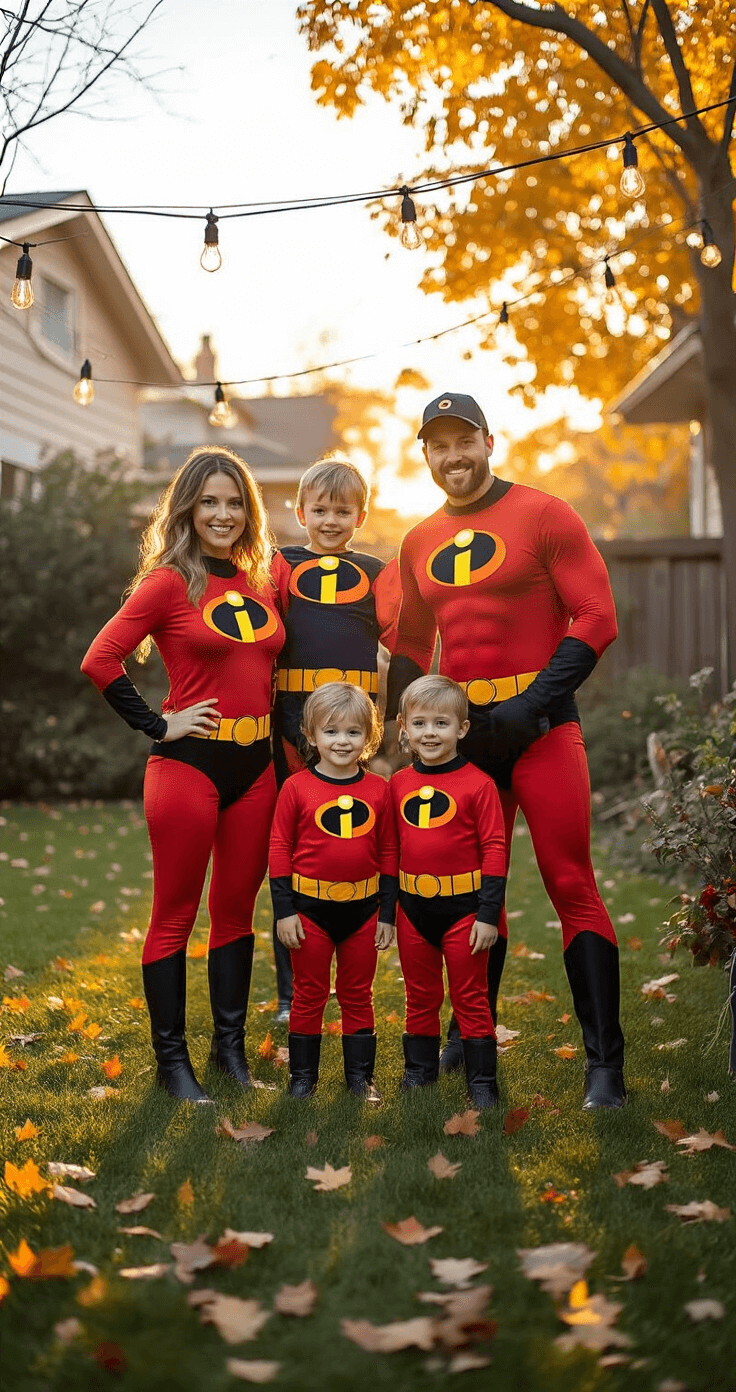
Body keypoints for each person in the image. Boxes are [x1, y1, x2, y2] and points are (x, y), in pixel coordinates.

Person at [386, 393, 625, 1110]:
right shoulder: (419, 540)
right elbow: (406, 643)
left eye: (465, 441)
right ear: (424, 455)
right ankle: (468, 1037)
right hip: (460, 740)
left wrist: (534, 703)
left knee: (570, 884)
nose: (453, 456)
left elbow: (598, 617)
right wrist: (407, 735)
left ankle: (605, 1067)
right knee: (460, 892)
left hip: (543, 726)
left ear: (490, 441)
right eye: (438, 445)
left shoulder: (546, 515)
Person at [81, 446, 288, 1103]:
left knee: (235, 915)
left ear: (248, 511)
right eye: (210, 502)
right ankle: (173, 1064)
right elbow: (101, 659)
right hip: (188, 766)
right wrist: (157, 724)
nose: (223, 514)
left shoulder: (265, 577)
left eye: (235, 503)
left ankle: (229, 1054)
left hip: (258, 767)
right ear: (188, 509)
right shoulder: (170, 583)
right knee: (175, 914)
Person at [270, 456, 399, 1021]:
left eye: (341, 510)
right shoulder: (277, 565)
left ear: (360, 516)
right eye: (319, 509)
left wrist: (396, 717)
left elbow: (404, 641)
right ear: (301, 512)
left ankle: (352, 979)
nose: (329, 520)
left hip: (351, 728)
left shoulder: (376, 572)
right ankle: (289, 989)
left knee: (346, 846)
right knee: (295, 845)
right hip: (291, 724)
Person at [269, 683, 397, 1099]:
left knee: (358, 994)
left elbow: (390, 852)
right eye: (331, 732)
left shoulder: (380, 790)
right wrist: (284, 911)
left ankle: (361, 1079)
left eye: (353, 732)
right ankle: (302, 1079)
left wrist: (388, 913)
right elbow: (279, 849)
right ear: (310, 735)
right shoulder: (295, 788)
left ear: (368, 736)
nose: (342, 741)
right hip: (308, 910)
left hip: (363, 910)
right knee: (308, 994)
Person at [390, 676, 506, 1107]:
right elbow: (389, 850)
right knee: (419, 995)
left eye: (441, 723)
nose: (430, 733)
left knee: (470, 997)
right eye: (420, 723)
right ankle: (419, 1073)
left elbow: (495, 848)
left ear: (462, 728)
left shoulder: (479, 785)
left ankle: (481, 1082)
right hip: (412, 909)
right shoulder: (398, 785)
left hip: (465, 910)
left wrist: (489, 913)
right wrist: (389, 911)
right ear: (404, 727)